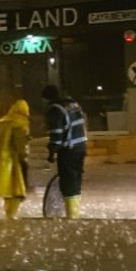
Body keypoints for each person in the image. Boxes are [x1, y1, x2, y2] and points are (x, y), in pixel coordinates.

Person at [41, 84, 88, 219]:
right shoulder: (73, 105)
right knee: (75, 180)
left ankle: (71, 215)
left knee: (68, 182)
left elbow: (57, 134)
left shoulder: (55, 110)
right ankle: (74, 212)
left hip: (69, 150)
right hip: (80, 147)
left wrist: (51, 153)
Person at [0, 99, 32, 219]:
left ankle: (8, 214)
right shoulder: (20, 122)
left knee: (7, 189)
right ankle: (11, 215)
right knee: (17, 189)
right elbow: (21, 144)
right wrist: (24, 156)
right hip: (12, 160)